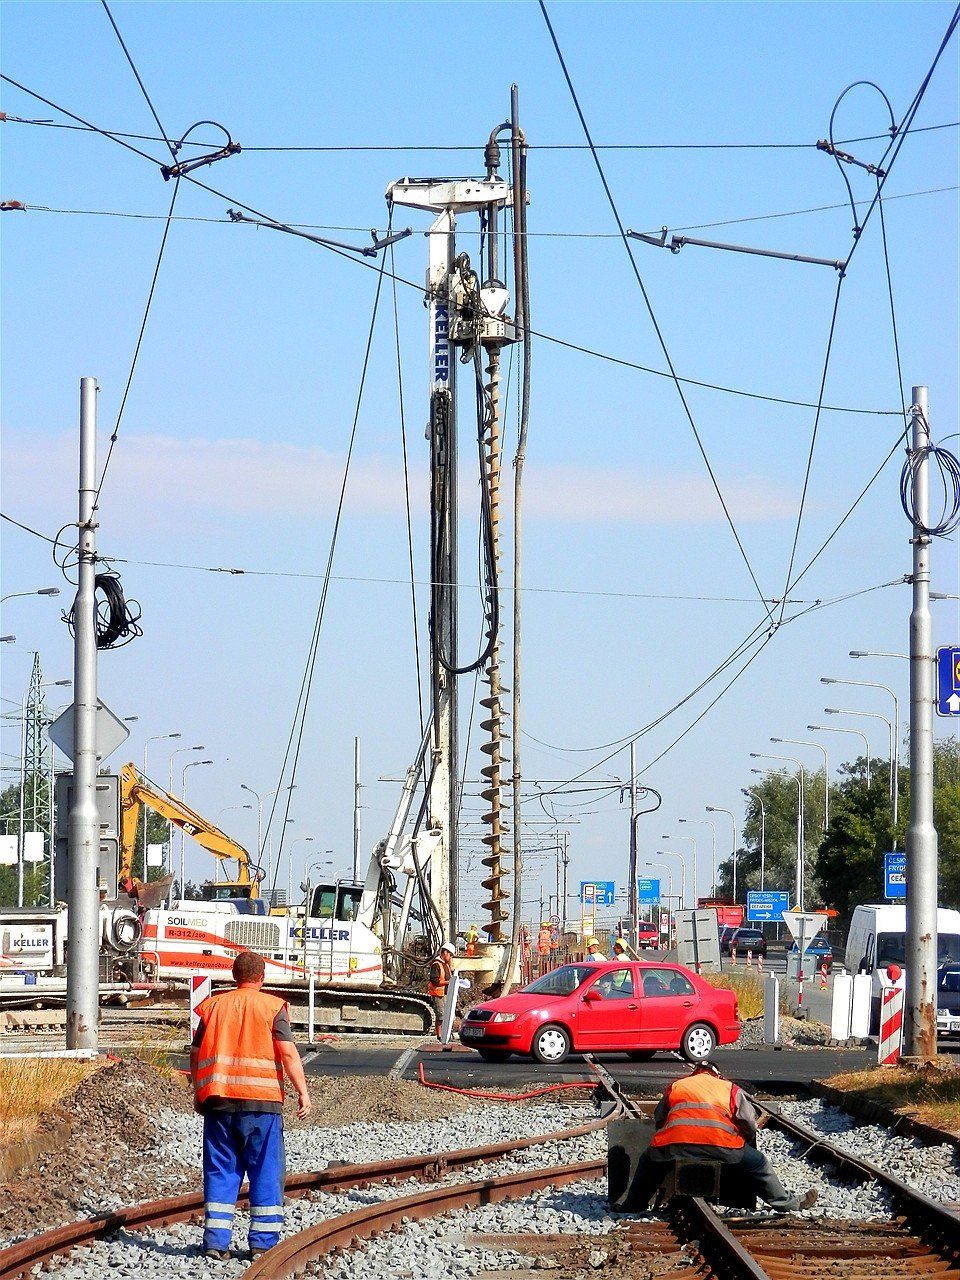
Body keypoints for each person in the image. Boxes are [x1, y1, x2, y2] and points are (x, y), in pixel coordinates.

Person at [190, 952, 312, 1261]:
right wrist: (302, 1092)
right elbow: (286, 1053)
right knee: (265, 1172)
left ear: (234, 976)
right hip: (262, 1105)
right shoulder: (271, 1007)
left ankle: (216, 1243)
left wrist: (198, 1092)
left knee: (220, 1171)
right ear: (262, 976)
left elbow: (195, 1052)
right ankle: (263, 1244)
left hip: (218, 1102)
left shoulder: (213, 1007)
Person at [631, 1059, 818, 1212]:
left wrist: (670, 1141)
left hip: (675, 1145)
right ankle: (788, 1203)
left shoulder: (678, 1086)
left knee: (648, 1161)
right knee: (759, 1164)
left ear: (695, 1073)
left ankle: (633, 1205)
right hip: (721, 1146)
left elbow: (659, 1119)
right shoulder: (729, 1088)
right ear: (717, 1075)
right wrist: (744, 1139)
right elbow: (749, 1123)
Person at [427, 941, 456, 1040]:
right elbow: (435, 980)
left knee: (447, 1014)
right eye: (450, 955)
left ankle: (446, 1033)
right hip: (438, 993)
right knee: (441, 1015)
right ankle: (439, 1035)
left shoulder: (445, 964)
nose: (450, 957)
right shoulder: (436, 964)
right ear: (445, 953)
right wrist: (448, 982)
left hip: (445, 993)